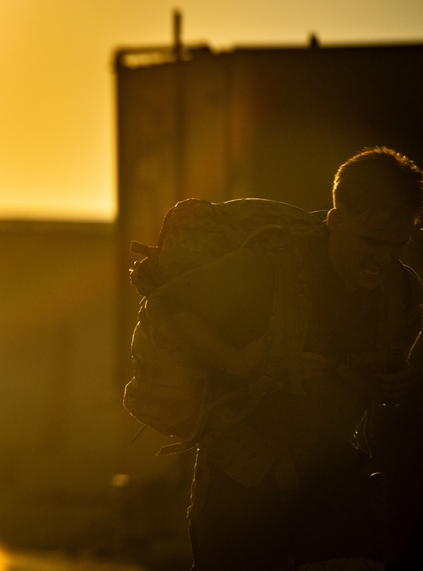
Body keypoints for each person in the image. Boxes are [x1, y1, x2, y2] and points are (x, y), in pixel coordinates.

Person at [144, 146, 423, 570]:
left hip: (332, 483)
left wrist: (397, 380)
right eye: (370, 241)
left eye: (397, 244)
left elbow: (385, 377)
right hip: (241, 487)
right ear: (335, 220)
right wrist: (240, 362)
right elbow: (167, 305)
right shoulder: (269, 270)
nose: (383, 259)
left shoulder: (403, 291)